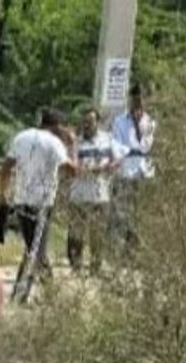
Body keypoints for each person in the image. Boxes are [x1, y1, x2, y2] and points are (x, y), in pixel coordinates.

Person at [0, 108, 78, 282]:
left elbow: (6, 167)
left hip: (21, 199)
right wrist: (72, 145)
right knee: (36, 247)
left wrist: (3, 195)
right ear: (56, 126)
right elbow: (72, 170)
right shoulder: (54, 143)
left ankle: (34, 286)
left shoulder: (21, 137)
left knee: (32, 245)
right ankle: (46, 288)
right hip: (42, 202)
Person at [66, 108, 122, 274]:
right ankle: (76, 266)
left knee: (97, 233)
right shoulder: (76, 141)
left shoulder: (108, 139)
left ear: (98, 122)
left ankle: (95, 267)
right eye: (85, 121)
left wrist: (106, 167)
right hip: (79, 193)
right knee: (76, 232)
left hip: (100, 193)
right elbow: (71, 164)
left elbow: (118, 160)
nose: (87, 124)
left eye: (90, 121)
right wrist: (82, 168)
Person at [110, 84, 156, 250]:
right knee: (123, 211)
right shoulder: (120, 121)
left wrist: (138, 125)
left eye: (142, 100)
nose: (138, 103)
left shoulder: (150, 122)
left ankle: (135, 246)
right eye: (136, 99)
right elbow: (117, 145)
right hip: (126, 169)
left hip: (144, 169)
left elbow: (146, 146)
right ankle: (119, 246)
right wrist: (128, 151)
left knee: (141, 212)